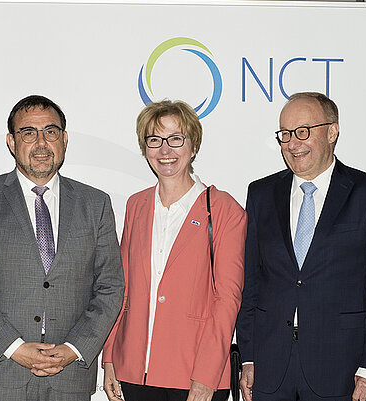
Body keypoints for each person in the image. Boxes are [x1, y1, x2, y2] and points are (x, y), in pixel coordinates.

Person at [0, 95, 124, 401]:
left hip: (69, 376)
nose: (41, 143)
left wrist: (73, 349)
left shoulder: (95, 204)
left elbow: (110, 287)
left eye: (50, 132)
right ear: (11, 142)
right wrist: (14, 347)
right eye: (28, 133)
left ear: (64, 139)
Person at [236, 92, 366, 401]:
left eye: (303, 131)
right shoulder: (261, 194)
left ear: (332, 132)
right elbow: (251, 283)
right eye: (285, 134)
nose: (292, 143)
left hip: (342, 368)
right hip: (270, 367)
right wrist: (249, 357)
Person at [101, 100, 246, 401]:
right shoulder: (136, 205)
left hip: (194, 375)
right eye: (154, 140)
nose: (165, 150)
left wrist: (206, 376)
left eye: (176, 138)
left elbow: (227, 300)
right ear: (145, 149)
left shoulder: (223, 209)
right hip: (135, 371)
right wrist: (111, 355)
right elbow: (122, 288)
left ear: (193, 147)